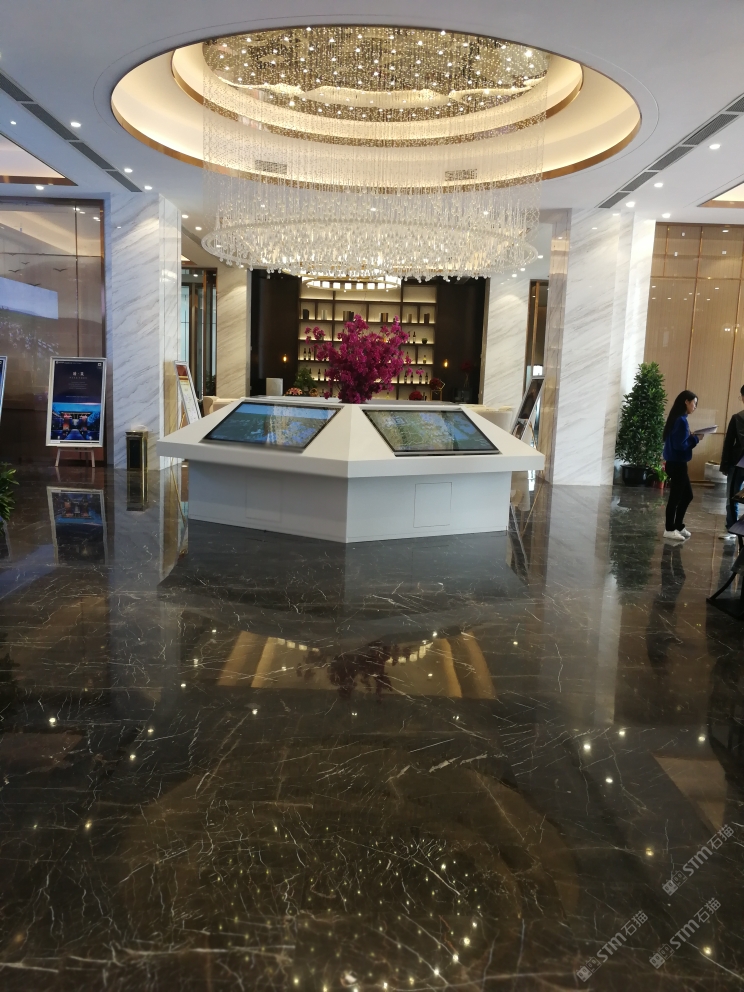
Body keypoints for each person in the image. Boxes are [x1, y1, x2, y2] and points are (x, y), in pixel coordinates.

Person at [662, 390, 702, 541]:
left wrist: (690, 437)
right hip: (677, 464)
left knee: (687, 495)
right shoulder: (681, 420)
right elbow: (680, 446)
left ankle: (678, 525)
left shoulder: (678, 418)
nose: (695, 407)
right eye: (694, 403)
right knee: (675, 497)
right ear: (686, 401)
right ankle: (669, 528)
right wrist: (696, 439)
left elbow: (679, 441)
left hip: (675, 463)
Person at [719, 384, 744, 540]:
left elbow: (728, 443)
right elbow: (728, 442)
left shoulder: (737, 418)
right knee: (732, 496)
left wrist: (725, 464)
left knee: (732, 496)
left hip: (736, 463)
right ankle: (732, 528)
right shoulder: (737, 418)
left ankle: (732, 528)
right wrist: (725, 464)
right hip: (736, 464)